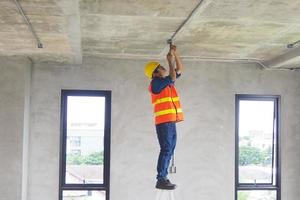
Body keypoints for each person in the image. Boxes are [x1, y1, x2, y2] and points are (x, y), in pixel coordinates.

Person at [144, 45, 184, 190]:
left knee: (170, 149)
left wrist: (175, 54)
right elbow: (173, 75)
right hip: (164, 122)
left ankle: (163, 177)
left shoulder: (165, 83)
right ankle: (161, 179)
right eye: (160, 66)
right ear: (155, 73)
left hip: (170, 122)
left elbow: (179, 71)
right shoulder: (155, 84)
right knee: (166, 148)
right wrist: (169, 60)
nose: (163, 67)